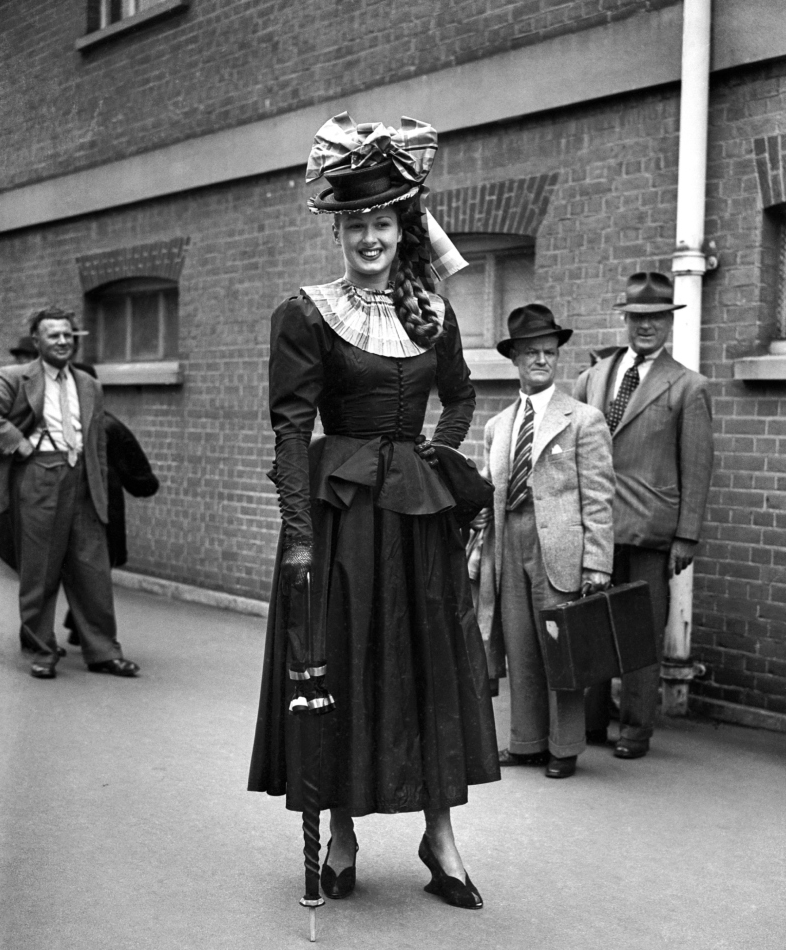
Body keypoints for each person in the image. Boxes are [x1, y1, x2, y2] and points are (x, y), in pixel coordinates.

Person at [248, 113, 500, 910]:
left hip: (417, 519)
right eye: (355, 223)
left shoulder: (433, 312)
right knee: (347, 663)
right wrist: (296, 536)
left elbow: (460, 395)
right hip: (342, 518)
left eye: (382, 222)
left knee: (428, 666)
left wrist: (438, 453)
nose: (369, 236)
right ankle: (345, 833)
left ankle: (440, 837)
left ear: (403, 228)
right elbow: (291, 430)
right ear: (341, 234)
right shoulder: (308, 314)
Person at [573, 272, 714, 759]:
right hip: (595, 527)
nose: (646, 326)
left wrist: (686, 537)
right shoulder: (594, 377)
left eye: (656, 318)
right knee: (589, 626)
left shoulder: (688, 387)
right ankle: (589, 725)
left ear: (668, 323)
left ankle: (635, 729)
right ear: (626, 320)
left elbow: (697, 467)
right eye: (638, 317)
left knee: (639, 633)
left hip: (650, 531)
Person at [474, 305, 615, 779]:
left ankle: (564, 747)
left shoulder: (583, 419)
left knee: (561, 648)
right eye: (531, 352)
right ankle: (527, 742)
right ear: (514, 359)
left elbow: (598, 497)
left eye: (549, 352)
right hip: (508, 544)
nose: (541, 360)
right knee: (519, 647)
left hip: (560, 548)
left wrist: (597, 563)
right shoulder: (498, 426)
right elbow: (486, 491)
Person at [0, 307, 139, 679]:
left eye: (68, 335)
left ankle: (103, 651)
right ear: (37, 341)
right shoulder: (15, 377)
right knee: (39, 569)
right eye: (53, 335)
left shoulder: (89, 385)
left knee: (92, 570)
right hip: (38, 476)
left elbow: (96, 442)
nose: (62, 341)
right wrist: (18, 444)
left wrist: (99, 488)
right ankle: (41, 649)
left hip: (82, 481)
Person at [63, 363, 160, 646]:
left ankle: (76, 629)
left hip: (86, 516)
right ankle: (81, 628)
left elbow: (144, 481)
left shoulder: (105, 428)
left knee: (80, 571)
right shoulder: (108, 427)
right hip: (93, 516)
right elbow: (144, 481)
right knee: (89, 571)